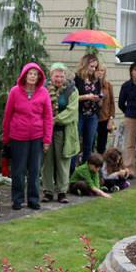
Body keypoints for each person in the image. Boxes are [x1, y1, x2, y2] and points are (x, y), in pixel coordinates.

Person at [2, 63, 52, 210]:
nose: (32, 76)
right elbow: (8, 115)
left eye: (35, 74)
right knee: (18, 170)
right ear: (24, 75)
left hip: (37, 136)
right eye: (30, 73)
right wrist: (6, 137)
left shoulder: (43, 92)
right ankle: (17, 199)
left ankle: (33, 199)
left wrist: (47, 139)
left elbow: (48, 117)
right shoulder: (14, 92)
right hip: (18, 136)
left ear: (39, 77)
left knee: (35, 170)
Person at [42, 63, 78, 204]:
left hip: (63, 131)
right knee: (47, 162)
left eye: (62, 76)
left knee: (63, 161)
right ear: (51, 76)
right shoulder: (43, 89)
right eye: (56, 76)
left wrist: (55, 119)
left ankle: (62, 191)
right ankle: (48, 191)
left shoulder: (72, 90)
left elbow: (72, 111)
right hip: (46, 131)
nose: (59, 79)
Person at [74, 54, 103, 168]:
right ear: (85, 65)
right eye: (91, 66)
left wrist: (98, 97)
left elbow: (98, 94)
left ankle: (85, 169)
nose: (93, 69)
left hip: (92, 115)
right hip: (79, 114)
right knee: (75, 143)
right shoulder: (77, 79)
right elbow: (73, 98)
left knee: (89, 145)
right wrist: (86, 97)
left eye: (95, 67)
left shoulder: (96, 81)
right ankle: (73, 169)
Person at [95, 62, 115, 155]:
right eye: (98, 70)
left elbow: (112, 103)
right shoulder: (91, 85)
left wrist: (111, 119)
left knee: (101, 145)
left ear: (105, 72)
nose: (100, 72)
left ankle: (100, 165)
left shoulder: (108, 85)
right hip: (93, 117)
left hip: (104, 118)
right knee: (90, 143)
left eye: (102, 70)